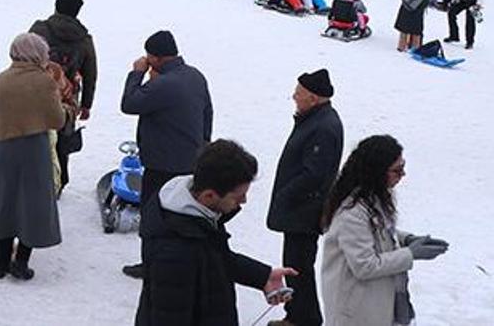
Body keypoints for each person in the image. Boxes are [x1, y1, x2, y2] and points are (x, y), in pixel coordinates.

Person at [135, 140, 296, 325]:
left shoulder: (197, 217)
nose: (244, 201)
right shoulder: (173, 254)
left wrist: (262, 275)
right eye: (238, 196)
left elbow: (215, 259)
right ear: (209, 195)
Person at [321, 135, 448, 326]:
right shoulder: (351, 212)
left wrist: (407, 239)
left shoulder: (372, 198)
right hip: (355, 311)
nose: (403, 175)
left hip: (374, 304)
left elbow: (377, 230)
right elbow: (365, 265)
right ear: (377, 171)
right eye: (397, 170)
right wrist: (410, 254)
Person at [121, 30, 213, 279]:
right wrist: (203, 146)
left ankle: (151, 265)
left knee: (153, 216)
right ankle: (182, 264)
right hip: (191, 159)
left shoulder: (163, 84)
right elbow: (207, 113)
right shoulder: (195, 76)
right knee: (183, 215)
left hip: (161, 163)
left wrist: (137, 74)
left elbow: (129, 104)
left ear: (157, 58)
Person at [0, 33, 70, 280]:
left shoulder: (2, 79)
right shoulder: (44, 81)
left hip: (3, 149)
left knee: (5, 204)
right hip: (33, 151)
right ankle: (20, 263)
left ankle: (1, 264)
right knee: (32, 206)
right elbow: (57, 120)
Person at [266, 70, 344, 326]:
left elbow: (314, 173)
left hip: (304, 210)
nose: (294, 97)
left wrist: (286, 194)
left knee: (298, 267)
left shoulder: (323, 127)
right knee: (296, 264)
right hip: (300, 208)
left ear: (312, 98)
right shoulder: (316, 119)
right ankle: (299, 315)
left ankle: (304, 319)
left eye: (298, 94)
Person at [28, 0, 98, 187]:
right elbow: (90, 73)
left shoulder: (39, 29)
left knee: (36, 135)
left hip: (36, 92)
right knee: (63, 138)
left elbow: (24, 56)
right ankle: (61, 178)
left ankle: (36, 178)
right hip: (66, 97)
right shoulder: (84, 40)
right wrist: (86, 105)